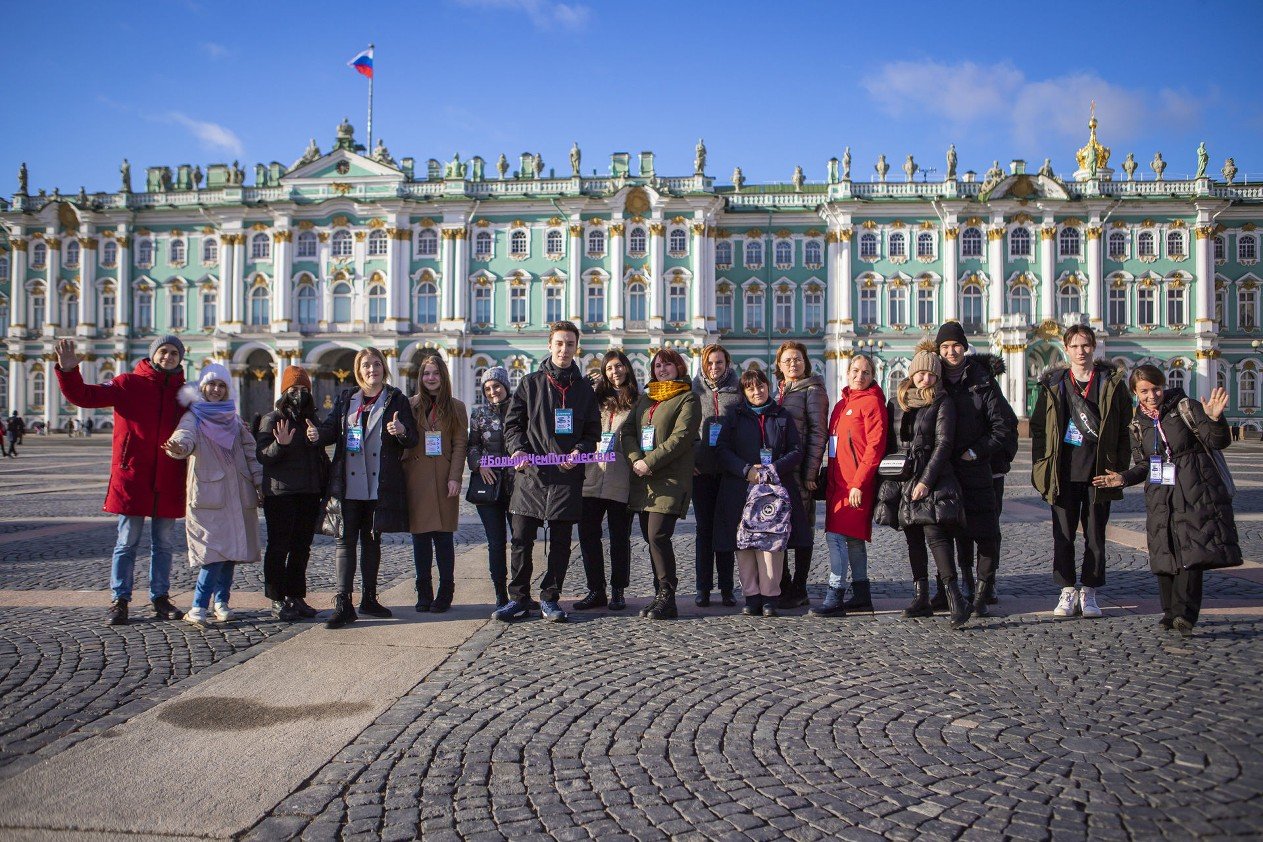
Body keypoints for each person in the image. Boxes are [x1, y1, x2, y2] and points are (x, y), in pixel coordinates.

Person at [1092, 369, 1241, 636]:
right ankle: (1170, 611)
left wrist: (1216, 419)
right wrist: (1123, 479)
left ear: (1164, 386)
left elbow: (1217, 441)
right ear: (1136, 393)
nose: (1152, 396)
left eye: (1156, 388)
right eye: (1145, 391)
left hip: (1194, 490)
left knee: (1191, 551)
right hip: (1160, 494)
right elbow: (1143, 465)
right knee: (1165, 551)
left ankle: (1186, 613)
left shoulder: (1186, 407)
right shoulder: (1138, 424)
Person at [54, 336, 188, 626]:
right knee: (127, 541)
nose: (168, 356)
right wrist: (68, 372)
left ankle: (160, 598)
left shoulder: (185, 395)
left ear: (181, 358)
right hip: (134, 475)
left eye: (174, 352)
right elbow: (85, 397)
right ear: (153, 355)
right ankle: (120, 600)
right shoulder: (128, 383)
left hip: (169, 476)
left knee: (164, 544)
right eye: (163, 351)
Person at [495, 321, 600, 624]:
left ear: (575, 347)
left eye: (569, 344)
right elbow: (512, 424)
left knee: (561, 543)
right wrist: (517, 449)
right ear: (550, 345)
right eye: (559, 343)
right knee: (520, 539)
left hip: (567, 477)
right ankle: (518, 598)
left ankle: (550, 598)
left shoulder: (583, 390)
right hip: (531, 475)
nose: (564, 349)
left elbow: (593, 430)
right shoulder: (530, 383)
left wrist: (580, 450)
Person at [307, 347, 418, 629]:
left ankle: (369, 597)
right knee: (345, 540)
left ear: (384, 368)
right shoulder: (347, 398)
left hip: (379, 482)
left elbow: (413, 437)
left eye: (377, 364)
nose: (372, 369)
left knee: (371, 541)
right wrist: (317, 434)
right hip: (349, 481)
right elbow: (332, 430)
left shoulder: (396, 399)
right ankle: (343, 602)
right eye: (366, 365)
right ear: (359, 370)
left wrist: (402, 432)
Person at [1030, 326, 1132, 620]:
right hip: (1062, 472)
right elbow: (1039, 428)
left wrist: (1118, 467)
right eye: (1074, 346)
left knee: (1095, 535)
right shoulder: (1055, 383)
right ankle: (1066, 590)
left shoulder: (1110, 383)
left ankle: (1089, 590)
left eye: (1086, 345)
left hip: (1100, 470)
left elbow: (1125, 426)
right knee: (1062, 535)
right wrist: (1042, 465)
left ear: (1094, 347)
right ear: (1066, 349)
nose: (1081, 351)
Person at [875, 348, 970, 628]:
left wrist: (926, 481)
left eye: (930, 374)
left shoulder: (942, 401)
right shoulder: (898, 402)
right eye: (920, 373)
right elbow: (891, 443)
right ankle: (921, 597)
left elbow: (944, 444)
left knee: (936, 536)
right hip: (903, 478)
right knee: (912, 537)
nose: (924, 379)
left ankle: (955, 597)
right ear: (912, 373)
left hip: (933, 477)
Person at [164, 364, 262, 626]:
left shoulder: (233, 418)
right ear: (202, 388)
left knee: (230, 554)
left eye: (221, 386)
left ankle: (222, 602)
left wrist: (260, 483)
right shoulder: (193, 417)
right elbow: (184, 438)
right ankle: (198, 606)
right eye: (212, 385)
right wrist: (177, 447)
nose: (216, 390)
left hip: (237, 494)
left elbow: (251, 452)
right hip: (209, 495)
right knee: (212, 554)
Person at [935, 322, 1017, 610]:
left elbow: (1002, 425)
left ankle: (984, 591)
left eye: (956, 345)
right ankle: (965, 585)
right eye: (945, 347)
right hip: (949, 469)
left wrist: (976, 452)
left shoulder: (983, 380)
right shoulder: (936, 380)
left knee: (985, 530)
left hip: (979, 466)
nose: (951, 351)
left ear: (965, 347)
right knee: (956, 529)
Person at [714, 367, 807, 617]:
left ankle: (770, 597)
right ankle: (751, 596)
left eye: (761, 386)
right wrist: (745, 470)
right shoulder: (734, 416)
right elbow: (722, 450)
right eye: (751, 387)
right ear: (744, 392)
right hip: (741, 489)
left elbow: (796, 451)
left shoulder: (782, 415)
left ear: (768, 386)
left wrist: (774, 467)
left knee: (771, 543)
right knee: (744, 544)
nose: (757, 391)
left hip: (774, 492)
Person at [622, 348, 700, 620]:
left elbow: (681, 438)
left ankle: (668, 597)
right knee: (650, 538)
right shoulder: (645, 399)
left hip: (669, 478)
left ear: (679, 367)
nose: (662, 369)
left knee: (658, 536)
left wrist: (649, 462)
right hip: (643, 479)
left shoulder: (688, 398)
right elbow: (628, 431)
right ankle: (659, 596)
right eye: (657, 365)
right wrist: (635, 459)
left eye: (668, 364)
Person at [812, 354, 887, 617]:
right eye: (855, 371)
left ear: (873, 376)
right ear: (847, 372)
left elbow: (874, 448)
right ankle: (862, 595)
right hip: (837, 483)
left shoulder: (873, 403)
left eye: (866, 372)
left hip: (855, 485)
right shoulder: (842, 404)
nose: (859, 376)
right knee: (854, 541)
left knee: (835, 538)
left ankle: (835, 594)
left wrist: (858, 483)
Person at [256, 365, 327, 621]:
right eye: (294, 389)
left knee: (301, 548)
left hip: (308, 492)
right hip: (280, 495)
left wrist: (318, 438)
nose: (299, 394)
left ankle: (296, 596)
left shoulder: (312, 419)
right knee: (278, 547)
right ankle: (276, 599)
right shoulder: (272, 419)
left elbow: (319, 452)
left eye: (303, 389)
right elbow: (262, 455)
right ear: (285, 392)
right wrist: (280, 445)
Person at [404, 353, 468, 614]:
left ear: (443, 376)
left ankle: (445, 591)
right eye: (426, 374)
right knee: (420, 538)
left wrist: (455, 477)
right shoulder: (409, 406)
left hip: (443, 478)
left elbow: (460, 443)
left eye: (436, 373)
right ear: (421, 378)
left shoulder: (456, 407)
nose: (431, 378)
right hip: (416, 478)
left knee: (443, 538)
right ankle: (423, 591)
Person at [576, 350, 638, 612]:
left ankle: (618, 590)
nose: (615, 372)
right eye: (610, 368)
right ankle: (595, 589)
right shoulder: (594, 399)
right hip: (591, 475)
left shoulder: (638, 401)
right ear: (604, 372)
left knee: (619, 537)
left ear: (627, 368)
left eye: (619, 366)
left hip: (620, 476)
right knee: (588, 535)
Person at [772, 341, 829, 608]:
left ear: (805, 362)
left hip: (800, 472)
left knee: (803, 528)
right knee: (779, 526)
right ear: (779, 366)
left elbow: (819, 434)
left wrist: (810, 472)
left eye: (797, 359)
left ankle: (799, 586)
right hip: (781, 472)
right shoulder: (780, 392)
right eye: (787, 360)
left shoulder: (813, 391)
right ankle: (783, 584)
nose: (792, 364)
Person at [691, 344, 742, 607]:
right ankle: (702, 588)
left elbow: (744, 428)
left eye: (719, 362)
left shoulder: (737, 391)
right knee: (703, 530)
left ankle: (726, 588)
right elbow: (686, 427)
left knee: (726, 529)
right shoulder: (695, 390)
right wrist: (689, 459)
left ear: (727, 363)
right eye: (710, 363)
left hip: (728, 471)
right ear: (703, 364)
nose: (714, 367)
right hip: (700, 471)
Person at [466, 367, 515, 608]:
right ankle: (500, 594)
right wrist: (479, 465)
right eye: (487, 388)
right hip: (490, 485)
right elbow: (472, 446)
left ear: (505, 386)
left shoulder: (520, 410)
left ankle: (519, 592)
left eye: (496, 386)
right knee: (496, 542)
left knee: (520, 541)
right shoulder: (479, 414)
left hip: (517, 486)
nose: (493, 391)